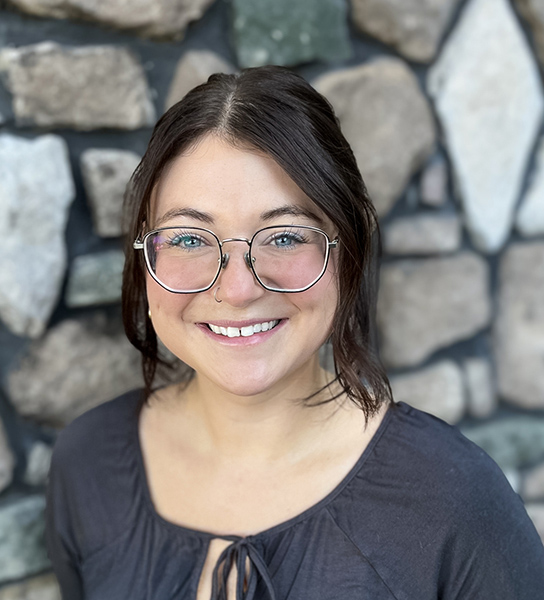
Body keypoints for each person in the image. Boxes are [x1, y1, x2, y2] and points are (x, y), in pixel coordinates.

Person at [45, 66, 544, 600]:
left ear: (344, 253)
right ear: (146, 257)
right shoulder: (88, 463)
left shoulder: (449, 500)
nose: (237, 290)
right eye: (190, 239)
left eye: (283, 235)